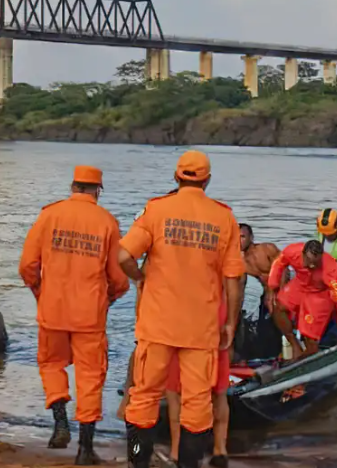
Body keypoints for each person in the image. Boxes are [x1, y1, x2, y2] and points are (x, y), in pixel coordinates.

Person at [119, 150, 245, 468]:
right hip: (201, 329)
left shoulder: (156, 209)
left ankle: (138, 462)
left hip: (157, 324)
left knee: (144, 397)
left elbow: (122, 257)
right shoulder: (224, 217)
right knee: (197, 403)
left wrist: (140, 278)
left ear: (176, 177)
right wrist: (229, 323)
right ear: (207, 180)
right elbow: (234, 277)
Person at [18, 165, 129, 465]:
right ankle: (85, 449)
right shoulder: (107, 222)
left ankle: (60, 422)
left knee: (51, 364)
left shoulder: (49, 215)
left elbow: (28, 265)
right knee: (90, 377)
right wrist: (109, 298)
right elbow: (118, 279)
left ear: (72, 186)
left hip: (52, 310)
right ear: (98, 190)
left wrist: (41, 293)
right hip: (89, 316)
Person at [163, 281, 235, 468]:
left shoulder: (173, 255)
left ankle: (177, 452)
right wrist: (230, 323)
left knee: (175, 394)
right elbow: (232, 285)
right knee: (218, 392)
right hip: (213, 322)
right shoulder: (220, 254)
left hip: (179, 326)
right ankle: (220, 450)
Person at [267, 240, 337, 359]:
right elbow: (278, 263)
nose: (312, 266)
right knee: (278, 305)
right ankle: (295, 345)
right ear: (303, 254)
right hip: (300, 284)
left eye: (316, 263)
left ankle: (303, 359)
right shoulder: (292, 251)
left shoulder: (330, 269)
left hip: (319, 293)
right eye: (309, 261)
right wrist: (272, 287)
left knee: (310, 338)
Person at [239, 224, 280, 310]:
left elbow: (284, 269)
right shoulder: (240, 261)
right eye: (236, 237)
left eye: (242, 237)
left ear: (251, 237)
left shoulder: (267, 249)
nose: (239, 241)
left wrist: (276, 293)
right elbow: (240, 286)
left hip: (282, 289)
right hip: (266, 294)